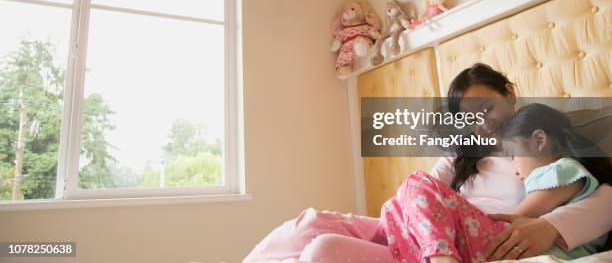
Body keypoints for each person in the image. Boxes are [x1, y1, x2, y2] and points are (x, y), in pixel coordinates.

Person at [243, 64, 612, 263]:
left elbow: (599, 194)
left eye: (487, 108)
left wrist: (549, 225)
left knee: (323, 249)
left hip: (465, 240)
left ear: (509, 95)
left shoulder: (543, 146)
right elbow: (421, 192)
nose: (482, 124)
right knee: (308, 225)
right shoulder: (462, 156)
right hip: (426, 229)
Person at [379, 103, 611, 263]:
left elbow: (516, 221)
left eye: (512, 155)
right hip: (503, 246)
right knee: (392, 207)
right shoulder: (466, 157)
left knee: (416, 182)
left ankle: (442, 255)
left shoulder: (564, 169)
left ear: (539, 140)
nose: (515, 168)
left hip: (506, 242)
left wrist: (460, 218)